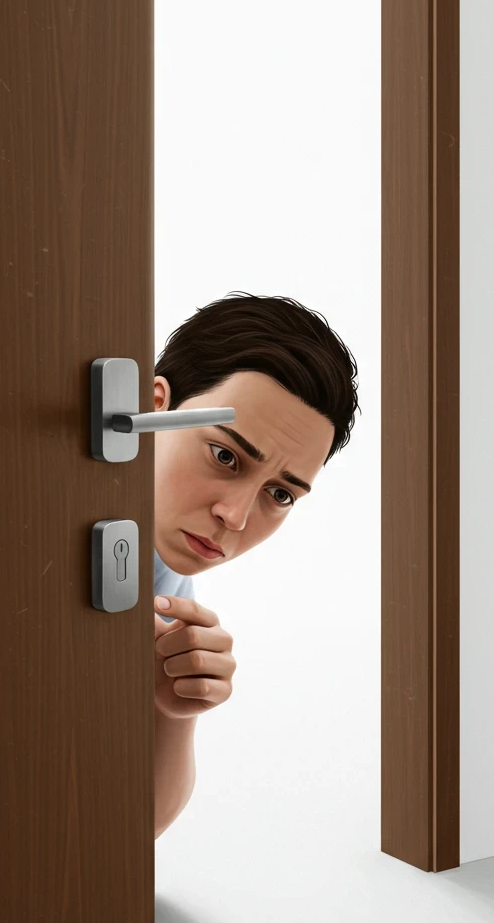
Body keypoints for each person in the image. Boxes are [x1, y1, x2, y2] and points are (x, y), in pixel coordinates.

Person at [152, 291, 360, 837]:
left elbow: (136, 828)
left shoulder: (168, 585)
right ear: (154, 407)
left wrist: (178, 710)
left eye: (281, 494)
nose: (235, 516)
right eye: (225, 456)